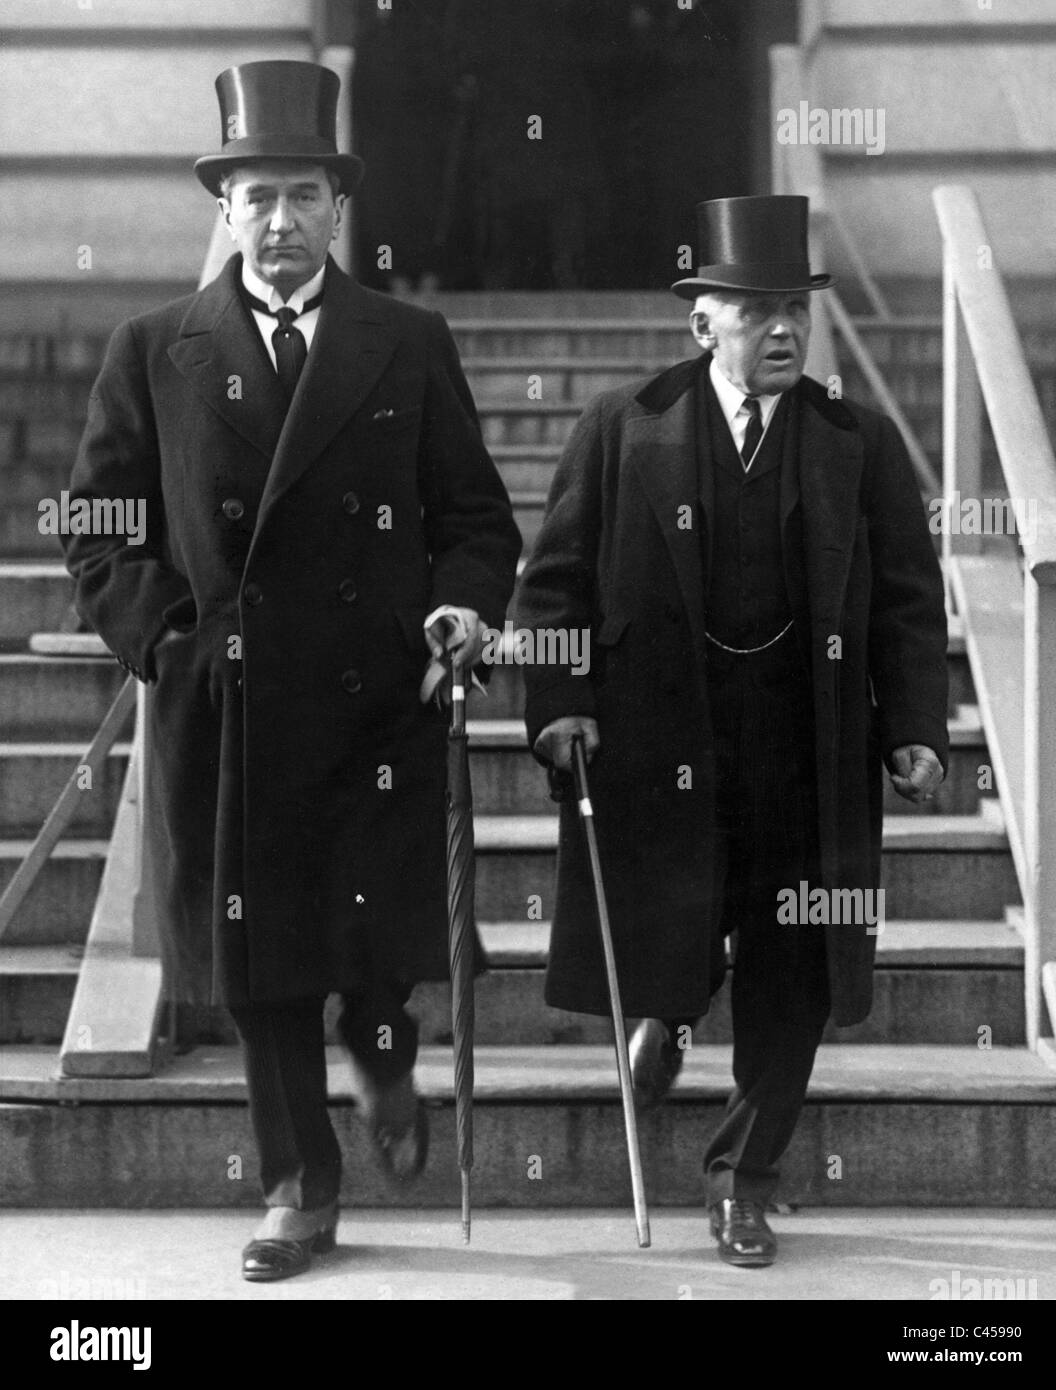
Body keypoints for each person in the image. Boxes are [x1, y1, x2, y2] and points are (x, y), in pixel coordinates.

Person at [62, 60, 521, 1281]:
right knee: (258, 967)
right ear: (225, 207)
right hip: (231, 708)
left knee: (371, 950)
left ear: (337, 210)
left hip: (379, 702)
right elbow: (98, 525)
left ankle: (384, 1060)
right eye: (256, 195)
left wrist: (460, 610)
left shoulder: (407, 343)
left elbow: (475, 519)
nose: (279, 221)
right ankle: (296, 1185)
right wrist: (168, 642)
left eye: (302, 195)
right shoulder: (154, 349)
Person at [517, 195, 947, 1267]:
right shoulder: (623, 428)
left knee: (793, 964)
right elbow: (553, 583)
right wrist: (558, 699)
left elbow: (905, 598)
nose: (783, 329)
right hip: (660, 738)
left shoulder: (858, 441)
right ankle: (671, 1003)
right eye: (753, 309)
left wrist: (916, 727)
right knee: (677, 920)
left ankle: (740, 1182)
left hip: (811, 746)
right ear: (699, 321)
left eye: (793, 306)